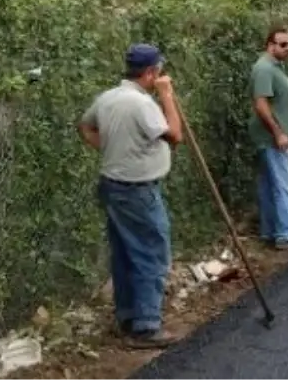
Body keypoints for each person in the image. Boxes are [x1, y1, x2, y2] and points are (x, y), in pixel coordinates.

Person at [76, 44, 183, 348]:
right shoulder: (142, 103)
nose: (161, 76)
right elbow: (175, 136)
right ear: (150, 73)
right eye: (159, 72)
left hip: (112, 185)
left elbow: (85, 127)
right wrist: (167, 96)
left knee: (124, 253)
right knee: (152, 253)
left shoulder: (107, 98)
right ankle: (146, 327)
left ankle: (128, 318)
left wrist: (110, 149)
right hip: (138, 190)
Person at [248, 25, 288, 250]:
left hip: (273, 137)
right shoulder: (264, 69)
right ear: (270, 45)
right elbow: (261, 104)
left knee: (269, 185)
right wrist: (278, 133)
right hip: (271, 138)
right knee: (282, 184)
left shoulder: (274, 67)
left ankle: (270, 232)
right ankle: (285, 234)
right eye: (282, 44)